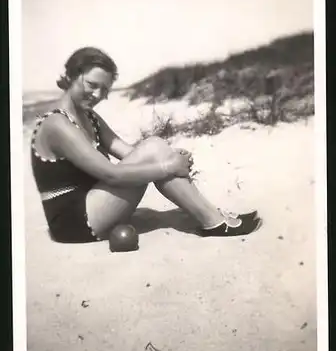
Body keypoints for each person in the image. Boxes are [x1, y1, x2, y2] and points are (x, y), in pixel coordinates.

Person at [31, 47, 262, 244]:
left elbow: (129, 152)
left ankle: (211, 217)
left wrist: (170, 157)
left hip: (93, 202)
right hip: (74, 222)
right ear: (71, 75)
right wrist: (168, 167)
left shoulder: (88, 117)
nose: (97, 94)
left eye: (104, 89)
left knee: (155, 146)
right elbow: (111, 175)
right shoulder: (57, 124)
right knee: (155, 151)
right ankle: (213, 221)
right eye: (92, 84)